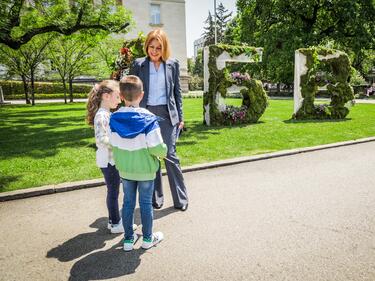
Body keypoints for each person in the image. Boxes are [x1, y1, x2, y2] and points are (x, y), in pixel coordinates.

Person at [130, 28, 189, 211]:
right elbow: (131, 93)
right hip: (145, 115)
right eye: (151, 46)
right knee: (152, 156)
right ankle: (156, 199)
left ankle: (181, 200)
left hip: (167, 114)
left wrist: (180, 117)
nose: (154, 51)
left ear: (164, 48)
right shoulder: (138, 64)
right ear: (147, 46)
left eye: (158, 47)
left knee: (170, 155)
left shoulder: (173, 64)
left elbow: (177, 93)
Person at [109, 75, 167, 251]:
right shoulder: (149, 119)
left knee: (127, 203)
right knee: (145, 203)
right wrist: (163, 152)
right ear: (141, 95)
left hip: (126, 170)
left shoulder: (114, 118)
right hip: (145, 170)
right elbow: (157, 147)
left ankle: (128, 240)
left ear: (120, 95)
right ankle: (148, 239)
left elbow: (113, 144)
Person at [86, 80, 124, 234]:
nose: (120, 99)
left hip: (110, 160)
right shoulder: (102, 116)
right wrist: (118, 144)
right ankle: (116, 224)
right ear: (107, 96)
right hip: (109, 161)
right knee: (113, 192)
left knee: (113, 191)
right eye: (117, 96)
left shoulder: (106, 114)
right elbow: (101, 140)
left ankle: (112, 221)